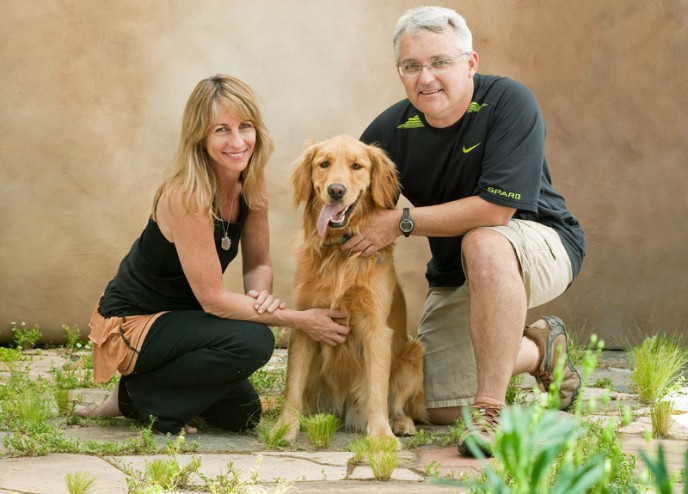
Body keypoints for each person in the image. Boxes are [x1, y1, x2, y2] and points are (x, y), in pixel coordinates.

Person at [342, 7, 586, 456]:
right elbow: (357, 211)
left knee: (483, 238)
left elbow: (495, 211)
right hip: (457, 274)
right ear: (400, 72)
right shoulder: (388, 132)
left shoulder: (509, 101)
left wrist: (402, 222)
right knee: (426, 401)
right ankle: (539, 349)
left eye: (440, 62)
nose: (426, 77)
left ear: (470, 63)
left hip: (541, 243)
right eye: (412, 66)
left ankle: (490, 411)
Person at [76, 75, 350, 435]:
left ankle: (138, 394)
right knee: (254, 342)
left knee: (243, 415)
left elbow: (259, 264)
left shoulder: (250, 183)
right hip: (134, 322)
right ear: (199, 137)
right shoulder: (187, 197)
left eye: (245, 127)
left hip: (182, 319)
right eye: (222, 130)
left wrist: (262, 295)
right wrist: (301, 320)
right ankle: (139, 400)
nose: (237, 142)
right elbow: (213, 300)